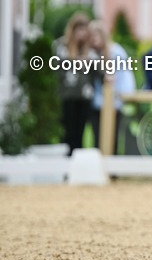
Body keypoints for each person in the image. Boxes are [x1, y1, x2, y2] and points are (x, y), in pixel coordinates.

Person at [88, 19, 136, 152]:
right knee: (97, 140)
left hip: (113, 103)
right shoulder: (92, 54)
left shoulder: (116, 52)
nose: (93, 39)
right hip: (96, 104)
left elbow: (124, 79)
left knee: (112, 140)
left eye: (95, 35)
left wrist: (120, 100)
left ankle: (112, 171)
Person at [53, 11, 97, 155]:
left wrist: (89, 63)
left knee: (80, 133)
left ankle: (78, 164)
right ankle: (65, 165)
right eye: (79, 29)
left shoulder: (90, 48)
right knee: (67, 132)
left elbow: (100, 71)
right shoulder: (61, 45)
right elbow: (55, 68)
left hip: (85, 96)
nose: (82, 33)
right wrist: (73, 62)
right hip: (67, 95)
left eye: (84, 29)